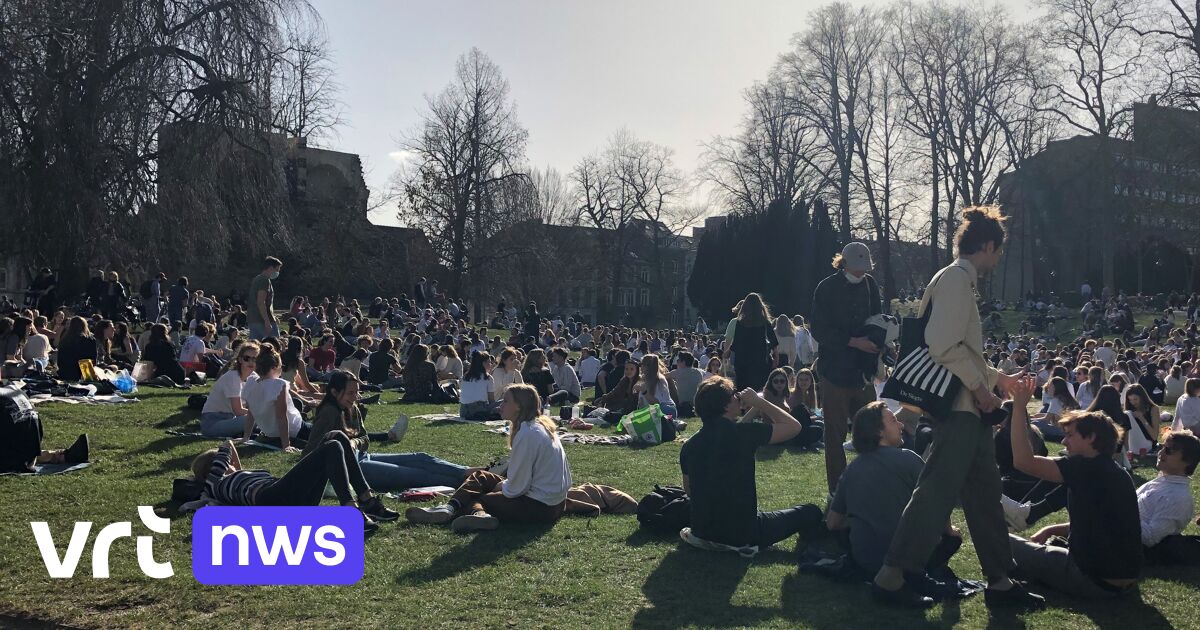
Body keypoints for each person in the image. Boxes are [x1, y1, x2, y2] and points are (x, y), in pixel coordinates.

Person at [873, 206, 1043, 610]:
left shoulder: (954, 279)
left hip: (968, 408)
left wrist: (996, 379)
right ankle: (891, 575)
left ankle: (1000, 581)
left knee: (985, 494)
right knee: (936, 490)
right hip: (962, 408)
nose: (998, 259)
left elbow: (955, 346)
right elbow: (943, 344)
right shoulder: (955, 280)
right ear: (987, 246)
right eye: (997, 252)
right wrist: (982, 390)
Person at [1006, 375, 1142, 599]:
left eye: (1069, 435)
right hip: (1123, 580)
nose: (1063, 441)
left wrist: (1019, 408)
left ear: (1091, 438)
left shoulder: (1085, 466)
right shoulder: (1116, 472)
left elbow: (1023, 461)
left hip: (1091, 579)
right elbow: (1098, 524)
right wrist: (1051, 529)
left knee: (1001, 539)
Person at [678, 377, 821, 552]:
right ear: (726, 405)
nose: (738, 397)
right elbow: (794, 427)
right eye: (734, 395)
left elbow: (689, 490)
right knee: (810, 511)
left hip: (703, 530)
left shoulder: (689, 445)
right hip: (744, 532)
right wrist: (759, 401)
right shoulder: (743, 433)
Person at [406, 384, 572, 532]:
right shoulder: (540, 426)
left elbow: (517, 488)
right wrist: (501, 484)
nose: (501, 405)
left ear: (519, 406)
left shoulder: (528, 434)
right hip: (555, 503)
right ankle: (449, 508)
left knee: (475, 497)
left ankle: (479, 515)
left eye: (506, 401)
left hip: (541, 508)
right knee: (480, 477)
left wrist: (500, 487)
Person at [829, 402, 961, 576]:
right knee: (953, 539)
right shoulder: (909, 459)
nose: (901, 425)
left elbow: (833, 523)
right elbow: (940, 504)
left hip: (866, 561)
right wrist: (950, 531)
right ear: (879, 432)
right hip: (905, 562)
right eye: (893, 421)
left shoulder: (852, 469)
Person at [194, 434, 398, 534]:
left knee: (336, 437)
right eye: (225, 464)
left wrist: (236, 468)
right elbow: (227, 445)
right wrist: (225, 463)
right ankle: (349, 511)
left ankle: (367, 500)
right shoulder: (214, 482)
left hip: (287, 497)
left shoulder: (234, 478)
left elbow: (230, 456)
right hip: (270, 500)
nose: (230, 465)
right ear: (211, 470)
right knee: (333, 446)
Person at [307, 370, 464, 491]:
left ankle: (468, 472)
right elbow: (311, 451)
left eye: (357, 392)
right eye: (350, 393)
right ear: (334, 392)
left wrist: (354, 442)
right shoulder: (329, 412)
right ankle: (471, 482)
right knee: (415, 474)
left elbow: (365, 439)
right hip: (351, 468)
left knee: (421, 458)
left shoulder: (352, 408)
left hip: (361, 456)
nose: (355, 397)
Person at [810, 242, 882, 495]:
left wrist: (880, 341)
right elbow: (819, 329)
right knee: (835, 434)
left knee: (873, 430)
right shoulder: (827, 288)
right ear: (845, 263)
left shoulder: (871, 286)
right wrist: (853, 342)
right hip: (835, 372)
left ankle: (872, 483)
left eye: (866, 268)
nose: (862, 273)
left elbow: (877, 318)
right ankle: (837, 488)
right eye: (858, 268)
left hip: (863, 372)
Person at [1139, 430, 1200, 563]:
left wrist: (1123, 514)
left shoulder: (1178, 497)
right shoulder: (1161, 482)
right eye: (1162, 448)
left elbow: (1150, 538)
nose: (1160, 453)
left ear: (1187, 461)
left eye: (1169, 450)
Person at [241, 346, 311, 451]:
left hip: (270, 433)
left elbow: (251, 414)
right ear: (274, 367)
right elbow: (281, 417)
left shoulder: (251, 382)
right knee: (325, 430)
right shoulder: (277, 385)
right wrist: (286, 445)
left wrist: (246, 437)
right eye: (280, 366)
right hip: (296, 429)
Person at [200, 342, 261, 437]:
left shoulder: (253, 377)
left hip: (231, 419)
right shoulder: (233, 377)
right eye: (247, 358)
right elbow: (238, 410)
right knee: (256, 418)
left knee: (259, 417)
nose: (251, 362)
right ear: (240, 359)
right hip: (213, 423)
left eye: (255, 359)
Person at [727, 293, 778, 392]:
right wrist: (775, 358)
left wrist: (727, 353)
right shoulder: (765, 322)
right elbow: (774, 343)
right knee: (760, 390)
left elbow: (736, 343)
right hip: (761, 362)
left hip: (742, 363)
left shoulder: (740, 323)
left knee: (743, 390)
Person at [459, 351, 501, 421]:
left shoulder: (466, 376)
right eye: (489, 362)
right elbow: (491, 400)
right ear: (483, 363)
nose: (491, 364)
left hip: (463, 411)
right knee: (503, 402)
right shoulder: (488, 378)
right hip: (478, 410)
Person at [248, 257, 282, 340]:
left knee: (255, 347)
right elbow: (261, 302)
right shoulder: (265, 281)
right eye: (277, 269)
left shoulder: (257, 279)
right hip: (262, 320)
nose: (278, 272)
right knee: (274, 345)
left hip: (253, 318)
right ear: (270, 268)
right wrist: (267, 321)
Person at [55, 317, 98, 382]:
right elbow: (92, 360)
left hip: (65, 373)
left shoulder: (65, 339)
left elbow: (59, 360)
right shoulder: (89, 340)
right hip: (82, 373)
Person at [668, 352, 707, 418]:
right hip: (696, 405)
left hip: (682, 405)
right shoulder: (700, 372)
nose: (677, 362)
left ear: (683, 362)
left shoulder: (676, 372)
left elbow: (661, 377)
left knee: (668, 381)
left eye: (678, 360)